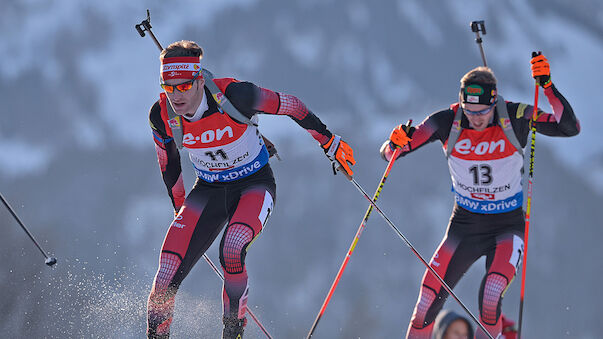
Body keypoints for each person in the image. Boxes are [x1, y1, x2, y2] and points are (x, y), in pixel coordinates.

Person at [146, 40, 355, 339]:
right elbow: (168, 160)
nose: (176, 95)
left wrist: (329, 142)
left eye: (184, 86)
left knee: (231, 250)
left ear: (199, 79)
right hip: (208, 190)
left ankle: (233, 334)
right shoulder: (161, 115)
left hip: (253, 184)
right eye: (169, 87)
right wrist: (179, 204)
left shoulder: (236, 96)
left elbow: (292, 105)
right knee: (166, 273)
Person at [380, 53, 580, 338]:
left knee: (491, 295)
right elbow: (390, 153)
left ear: (494, 102)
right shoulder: (446, 121)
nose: (475, 119)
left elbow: (569, 128)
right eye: (469, 111)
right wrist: (395, 141)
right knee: (426, 301)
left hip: (506, 226)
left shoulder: (515, 115)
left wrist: (547, 85)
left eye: (482, 112)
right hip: (464, 225)